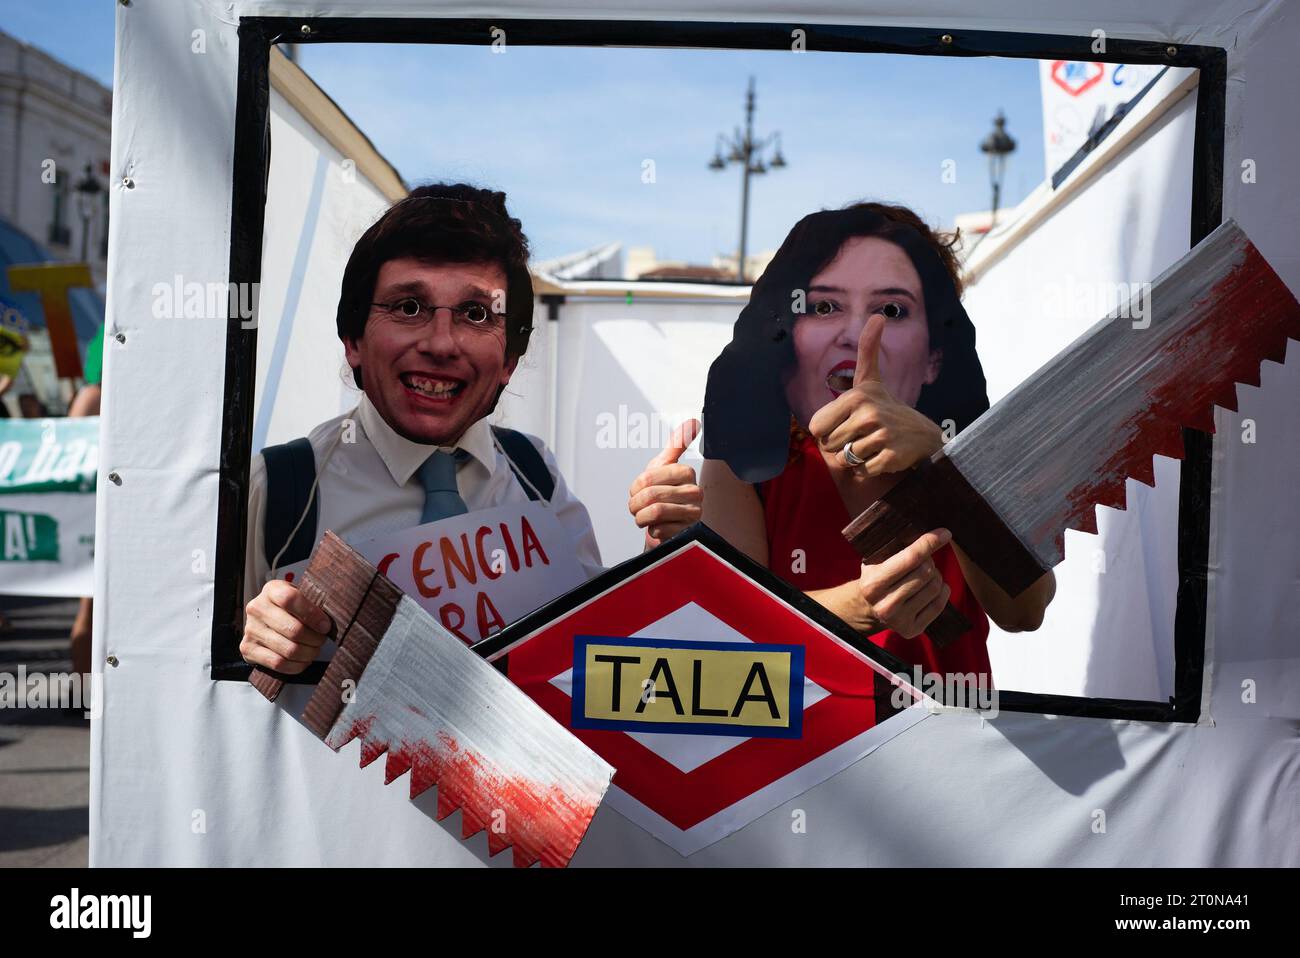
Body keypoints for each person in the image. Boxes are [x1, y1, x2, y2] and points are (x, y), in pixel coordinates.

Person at [628, 201, 1055, 681]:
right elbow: (729, 632)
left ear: (935, 353)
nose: (855, 334)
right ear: (788, 339)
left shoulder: (972, 448)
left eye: (891, 309)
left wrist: (943, 459)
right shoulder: (749, 457)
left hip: (951, 745)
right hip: (801, 750)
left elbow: (1025, 610)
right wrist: (855, 608)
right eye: (825, 306)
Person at [240, 183, 601, 676]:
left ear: (509, 362)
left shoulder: (538, 476)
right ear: (353, 340)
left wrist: (666, 556)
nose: (440, 343)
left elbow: (593, 658)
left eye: (476, 314)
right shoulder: (278, 487)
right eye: (408, 307)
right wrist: (248, 639)